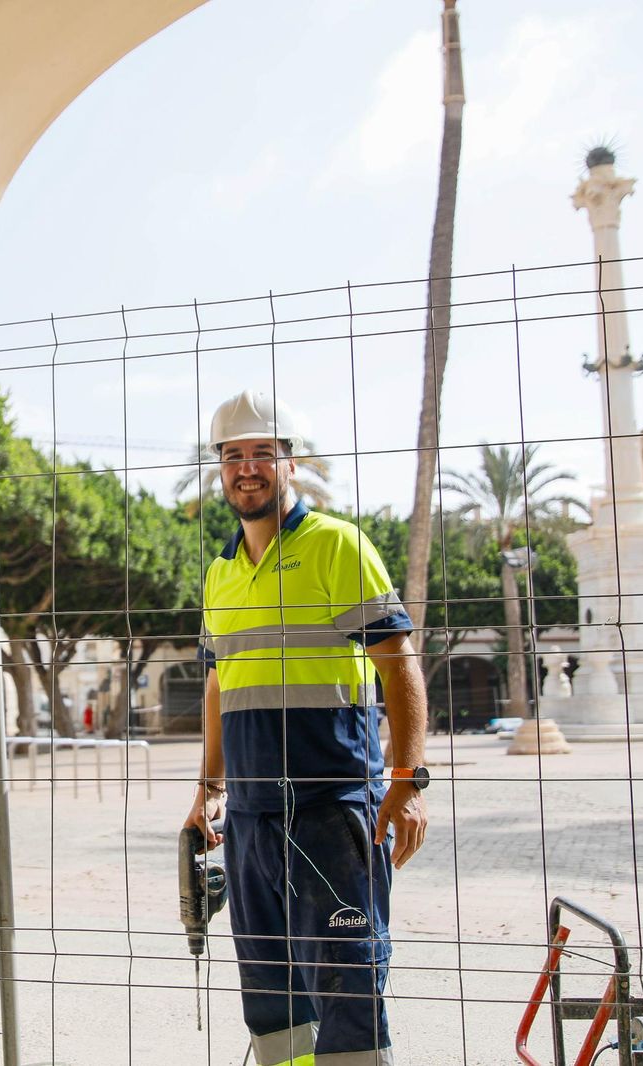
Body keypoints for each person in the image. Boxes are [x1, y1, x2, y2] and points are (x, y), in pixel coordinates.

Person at [183, 390, 428, 1066]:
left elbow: (399, 663)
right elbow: (219, 681)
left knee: (349, 998)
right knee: (273, 1006)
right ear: (221, 469)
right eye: (233, 455)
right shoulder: (220, 573)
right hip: (251, 819)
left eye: (262, 453)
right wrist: (209, 788)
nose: (247, 468)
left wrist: (407, 780)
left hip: (331, 812)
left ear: (291, 462)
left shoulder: (337, 545)